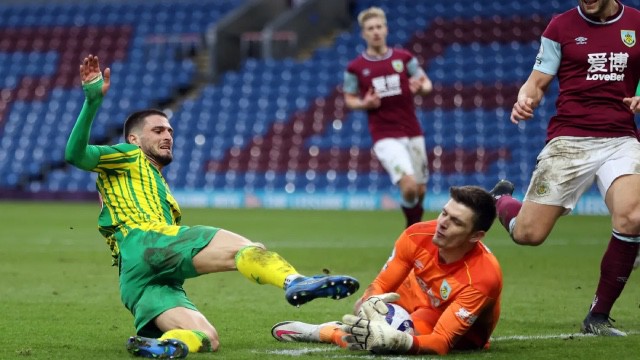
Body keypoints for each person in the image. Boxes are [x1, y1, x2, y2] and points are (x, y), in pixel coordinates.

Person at [64, 55, 360, 358]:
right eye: (158, 131)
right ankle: (294, 281)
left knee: (207, 338)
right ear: (133, 139)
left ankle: (167, 346)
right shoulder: (129, 155)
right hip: (147, 241)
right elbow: (76, 155)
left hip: (137, 277)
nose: (167, 136)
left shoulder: (156, 183)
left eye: (170, 131)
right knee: (245, 249)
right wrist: (91, 102)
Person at [490, 0, 640, 337]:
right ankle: (501, 200)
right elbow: (537, 80)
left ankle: (598, 317)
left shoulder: (637, 23)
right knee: (529, 234)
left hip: (621, 138)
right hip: (569, 139)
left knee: (632, 217)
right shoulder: (560, 27)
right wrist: (525, 98)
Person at [272, 185, 502, 355]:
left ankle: (326, 332)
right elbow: (382, 285)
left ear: (476, 236)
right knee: (369, 309)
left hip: (451, 321)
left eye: (456, 222)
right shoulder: (417, 235)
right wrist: (368, 304)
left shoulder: (482, 277)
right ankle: (371, 325)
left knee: (383, 339)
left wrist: (401, 341)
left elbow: (441, 341)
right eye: (444, 213)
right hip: (420, 291)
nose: (442, 223)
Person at [343, 6, 433, 228]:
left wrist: (420, 88)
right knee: (409, 185)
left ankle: (413, 228)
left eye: (379, 27)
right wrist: (365, 103)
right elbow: (349, 98)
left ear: (386, 29)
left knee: (420, 190)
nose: (375, 31)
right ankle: (410, 231)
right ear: (363, 33)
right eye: (370, 28)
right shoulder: (356, 68)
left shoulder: (404, 58)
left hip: (412, 130)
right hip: (384, 134)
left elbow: (426, 84)